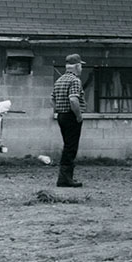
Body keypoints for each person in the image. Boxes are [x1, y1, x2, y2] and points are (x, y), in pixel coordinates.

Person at [51, 53, 87, 187]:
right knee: (71, 147)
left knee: (67, 145)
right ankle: (66, 178)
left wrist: (59, 110)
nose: (81, 69)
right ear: (77, 66)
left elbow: (52, 99)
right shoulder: (75, 81)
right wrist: (78, 115)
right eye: (81, 66)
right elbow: (73, 99)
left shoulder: (59, 80)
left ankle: (64, 177)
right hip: (71, 116)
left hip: (61, 115)